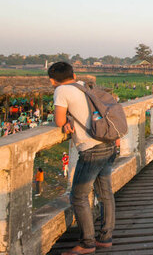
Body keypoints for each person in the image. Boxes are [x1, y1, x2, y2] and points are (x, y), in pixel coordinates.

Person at [49, 61, 117, 254]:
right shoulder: (83, 86)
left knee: (78, 196)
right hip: (107, 144)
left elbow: (59, 120)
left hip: (91, 149)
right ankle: (105, 238)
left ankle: (87, 243)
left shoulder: (61, 91)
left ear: (53, 79)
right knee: (105, 193)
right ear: (73, 73)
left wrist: (66, 120)